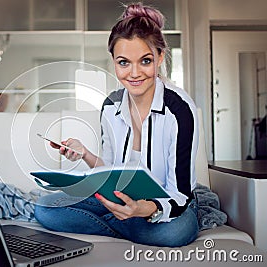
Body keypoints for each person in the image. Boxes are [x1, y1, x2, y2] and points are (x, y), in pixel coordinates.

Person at [34, 2, 199, 247]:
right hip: (122, 198)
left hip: (166, 205)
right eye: (123, 63)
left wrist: (144, 208)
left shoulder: (180, 109)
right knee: (45, 208)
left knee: (174, 233)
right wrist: (85, 154)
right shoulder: (110, 106)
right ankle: (126, 225)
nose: (134, 73)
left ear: (160, 56)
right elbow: (108, 173)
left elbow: (181, 194)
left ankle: (118, 224)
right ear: (113, 60)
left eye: (145, 61)